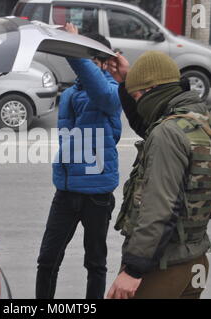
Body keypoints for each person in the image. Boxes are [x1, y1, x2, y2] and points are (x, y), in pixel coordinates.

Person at [106, 51, 211, 299]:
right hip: (195, 259)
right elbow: (150, 123)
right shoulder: (200, 119)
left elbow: (158, 208)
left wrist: (134, 270)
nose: (137, 102)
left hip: (163, 268)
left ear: (154, 89)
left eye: (138, 95)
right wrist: (127, 82)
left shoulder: (167, 134)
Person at [36, 23, 122, 299]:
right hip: (66, 191)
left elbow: (104, 95)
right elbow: (68, 140)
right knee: (47, 260)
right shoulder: (71, 94)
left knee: (95, 263)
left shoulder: (109, 91)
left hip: (96, 194)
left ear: (102, 63)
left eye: (91, 59)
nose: (85, 66)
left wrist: (75, 50)